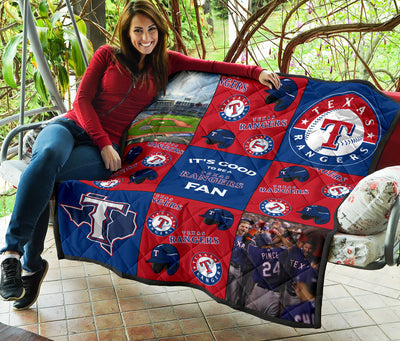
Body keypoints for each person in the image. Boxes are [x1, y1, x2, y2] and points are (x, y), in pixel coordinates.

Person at [0, 0, 281, 310]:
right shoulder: (107, 55)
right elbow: (81, 101)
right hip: (71, 129)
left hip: (98, 153)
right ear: (126, 31)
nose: (146, 37)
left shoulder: (165, 63)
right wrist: (104, 141)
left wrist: (257, 71)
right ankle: (13, 256)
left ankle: (31, 264)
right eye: (138, 31)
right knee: (48, 155)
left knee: (44, 175)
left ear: (159, 31)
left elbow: (213, 66)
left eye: (151, 30)